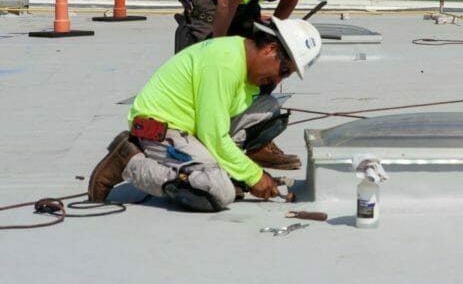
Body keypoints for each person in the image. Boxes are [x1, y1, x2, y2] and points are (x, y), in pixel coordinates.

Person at [87, 17, 323, 211]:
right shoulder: (224, 65)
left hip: (194, 127)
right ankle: (129, 161)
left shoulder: (240, 55)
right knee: (217, 190)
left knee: (268, 107)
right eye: (283, 70)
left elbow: (216, 126)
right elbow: (214, 135)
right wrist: (254, 176)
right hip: (160, 128)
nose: (278, 80)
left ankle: (214, 166)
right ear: (270, 49)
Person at [172, 0, 348, 169]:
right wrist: (215, 50)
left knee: (266, 62)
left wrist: (276, 35)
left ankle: (254, 143)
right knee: (208, 70)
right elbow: (226, 1)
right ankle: (195, 147)